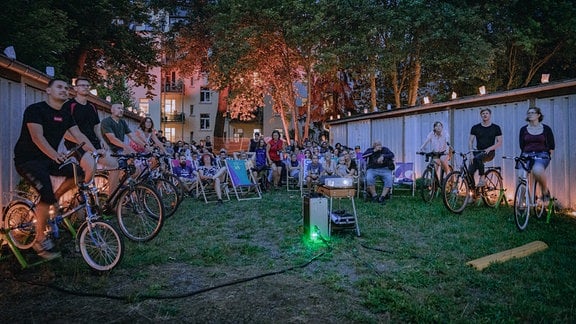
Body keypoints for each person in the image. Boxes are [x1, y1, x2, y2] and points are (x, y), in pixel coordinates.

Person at [13, 78, 101, 260]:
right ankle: (39, 239)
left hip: (49, 159)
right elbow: (37, 137)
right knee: (45, 190)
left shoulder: (66, 115)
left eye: (66, 88)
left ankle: (55, 199)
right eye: (59, 87)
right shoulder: (35, 110)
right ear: (48, 91)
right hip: (28, 160)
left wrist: (97, 151)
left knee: (79, 173)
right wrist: (54, 155)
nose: (64, 90)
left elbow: (79, 135)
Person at [62, 76, 114, 185]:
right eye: (82, 85)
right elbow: (64, 131)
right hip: (76, 145)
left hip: (94, 143)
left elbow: (96, 127)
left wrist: (102, 140)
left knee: (116, 165)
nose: (85, 87)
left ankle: (112, 200)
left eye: (87, 86)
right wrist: (83, 144)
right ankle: (81, 191)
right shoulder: (68, 106)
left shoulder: (92, 106)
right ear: (75, 88)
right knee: (91, 166)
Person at [101, 103, 148, 195]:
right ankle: (111, 199)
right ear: (112, 110)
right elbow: (112, 138)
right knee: (116, 170)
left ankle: (124, 188)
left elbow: (132, 136)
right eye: (118, 108)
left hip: (121, 150)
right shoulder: (106, 122)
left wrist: (146, 146)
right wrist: (126, 147)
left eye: (122, 109)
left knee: (136, 170)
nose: (121, 110)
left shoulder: (122, 122)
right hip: (110, 151)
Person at [518, 106, 555, 200]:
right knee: (521, 176)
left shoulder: (546, 129)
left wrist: (548, 156)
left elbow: (551, 146)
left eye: (533, 112)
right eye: (529, 113)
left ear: (538, 115)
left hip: (542, 155)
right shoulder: (523, 129)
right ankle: (521, 202)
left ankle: (545, 191)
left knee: (537, 170)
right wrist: (525, 154)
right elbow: (522, 145)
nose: (530, 114)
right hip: (526, 155)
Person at [468, 108, 503, 187]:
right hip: (478, 152)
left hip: (490, 152)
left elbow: (499, 142)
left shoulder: (496, 128)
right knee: (470, 172)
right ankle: (473, 194)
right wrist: (471, 154)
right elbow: (470, 141)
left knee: (478, 158)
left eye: (487, 113)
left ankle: (482, 178)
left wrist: (489, 148)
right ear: (481, 115)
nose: (485, 115)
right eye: (483, 113)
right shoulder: (475, 127)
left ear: (490, 115)